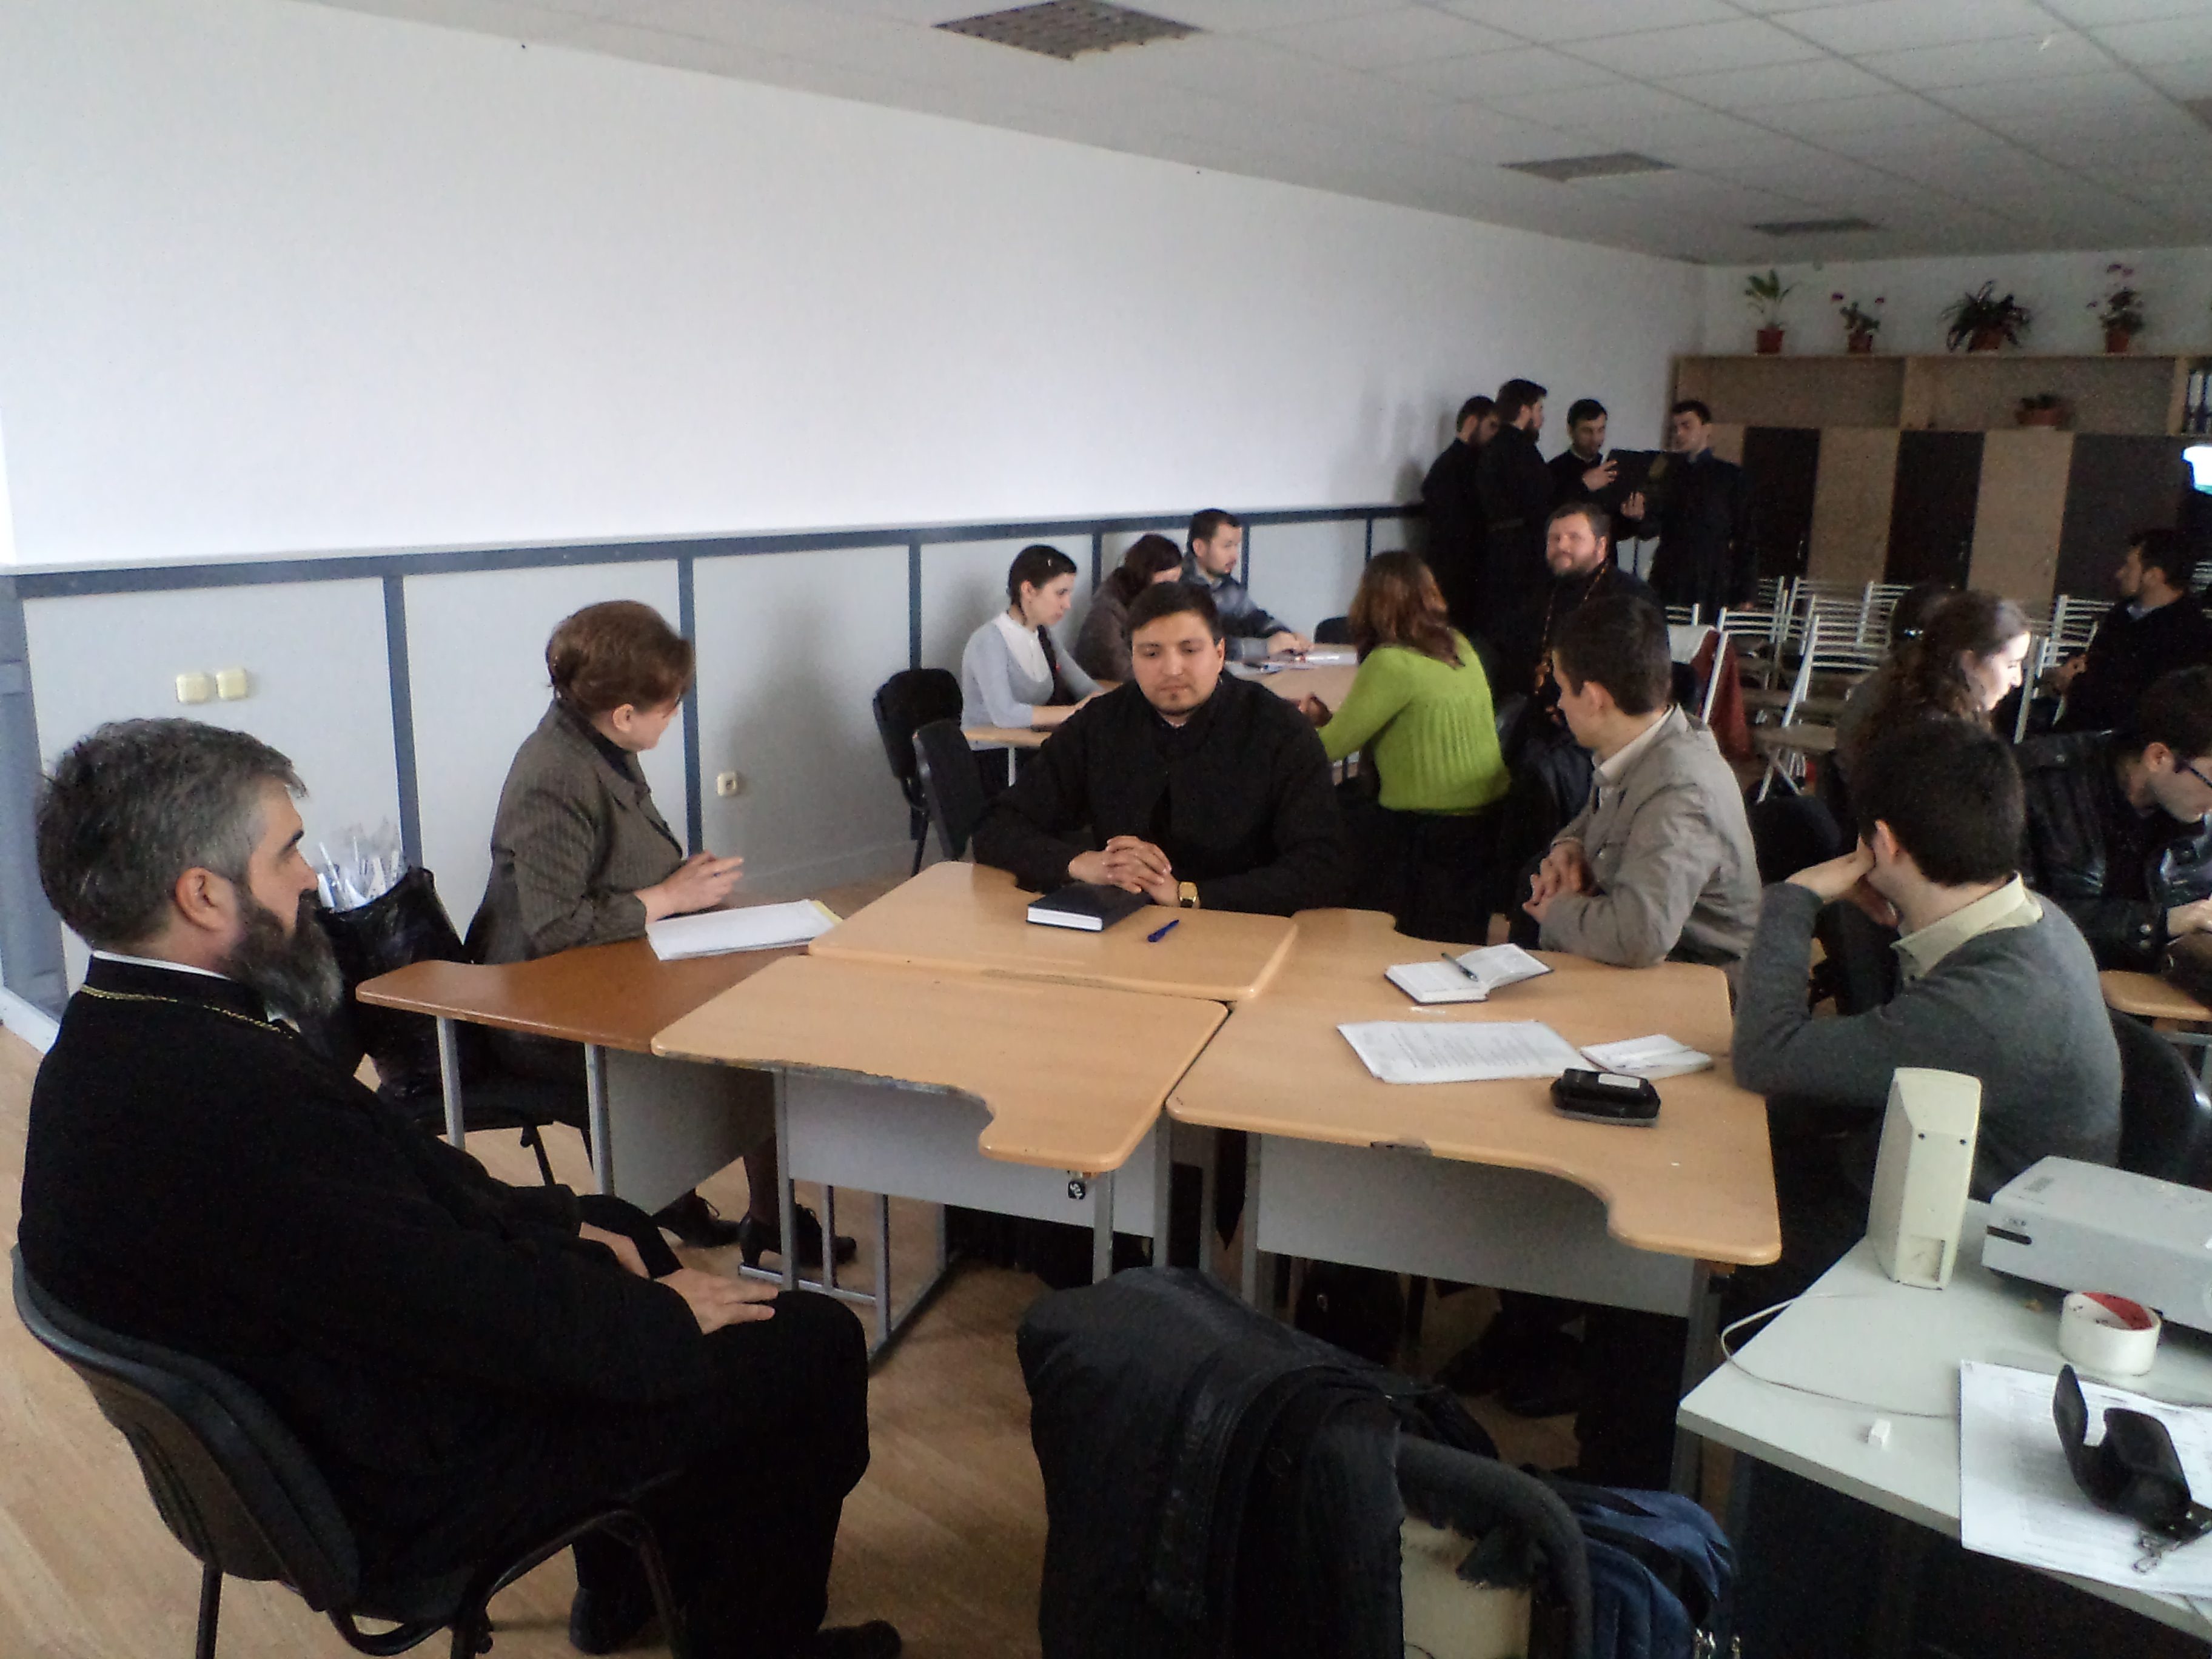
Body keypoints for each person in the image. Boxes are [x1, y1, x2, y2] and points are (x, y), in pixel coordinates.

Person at [19, 719, 896, 1659]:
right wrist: (656, 1319)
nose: (310, 877)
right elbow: (461, 1306)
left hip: (330, 1408)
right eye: (287, 854)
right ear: (202, 894)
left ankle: (629, 1590)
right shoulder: (228, 1099)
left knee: (615, 1223)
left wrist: (556, 1224)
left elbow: (394, 1199)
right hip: (401, 1480)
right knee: (808, 1343)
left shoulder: (113, 1037)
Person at [472, 602, 851, 1265]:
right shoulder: (554, 774)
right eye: (670, 707)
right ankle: (702, 1212)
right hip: (544, 1007)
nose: (674, 717)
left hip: (613, 967)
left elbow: (616, 861)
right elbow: (556, 926)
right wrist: (670, 896)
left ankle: (756, 1217)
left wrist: (679, 884)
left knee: (757, 1020)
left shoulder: (599, 742)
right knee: (739, 1039)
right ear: (624, 714)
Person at [1734, 716, 2122, 1302]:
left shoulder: (1992, 1004)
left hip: (1966, 1256)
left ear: (1884, 844)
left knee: (1714, 1205)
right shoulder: (2031, 917)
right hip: (1929, 1186)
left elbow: (1765, 1055)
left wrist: (1796, 897)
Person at [973, 581, 1345, 916]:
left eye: (1189, 650)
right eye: (1151, 654)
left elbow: (1322, 865)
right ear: (1132, 658)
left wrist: (1188, 894)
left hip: (1241, 926)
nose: (1172, 669)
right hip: (1123, 925)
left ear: (1220, 654)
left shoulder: (1278, 730)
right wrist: (1082, 863)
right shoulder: (1102, 723)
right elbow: (997, 826)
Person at [1521, 594, 1760, 969]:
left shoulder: (1683, 792)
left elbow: (1639, 938)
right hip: (1652, 960)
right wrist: (1571, 846)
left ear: (1595, 699)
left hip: (1696, 980)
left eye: (1563, 689)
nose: (1561, 703)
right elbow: (1605, 812)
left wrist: (1556, 911)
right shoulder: (1645, 740)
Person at [1296, 552, 1509, 940]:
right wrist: (1330, 721)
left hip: (1427, 828)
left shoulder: (1391, 662)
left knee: (1327, 827)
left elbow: (1326, 751)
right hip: (1484, 819)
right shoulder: (1459, 645)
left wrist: (1298, 724)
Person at [1490, 503, 1662, 893]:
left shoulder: (1630, 598)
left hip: (1600, 727)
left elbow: (1633, 677)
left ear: (1601, 545)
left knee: (1543, 779)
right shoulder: (1539, 592)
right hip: (1537, 719)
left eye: (1573, 538)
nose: (1561, 546)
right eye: (1554, 538)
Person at [2021, 665, 2212, 971]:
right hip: (2049, 979)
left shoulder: (2194, 809)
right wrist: (2158, 923)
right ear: (2158, 758)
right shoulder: (2038, 781)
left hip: (2157, 986)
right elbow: (2019, 917)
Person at [1837, 589, 2031, 778]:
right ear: (1968, 661)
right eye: (2012, 665)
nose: (2018, 680)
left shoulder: (1900, 688)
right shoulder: (1941, 737)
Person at [2054, 528, 2212, 734]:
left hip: (2121, 740)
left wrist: (2076, 684)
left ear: (2153, 576)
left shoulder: (2189, 635)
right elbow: (2099, 661)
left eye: (2128, 567)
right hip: (2080, 727)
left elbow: (2142, 700)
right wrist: (2074, 666)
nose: (2119, 574)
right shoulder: (2122, 614)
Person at [1616, 400, 1750, 620]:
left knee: (1705, 634)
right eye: (1675, 428)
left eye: (1686, 426)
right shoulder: (1666, 474)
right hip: (1669, 569)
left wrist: (1746, 590)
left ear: (1707, 429)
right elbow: (1651, 529)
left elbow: (1746, 535)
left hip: (1711, 574)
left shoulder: (1730, 476)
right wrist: (1640, 517)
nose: (1679, 433)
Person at [959, 543, 1102, 736]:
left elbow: (1085, 687)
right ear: (1028, 590)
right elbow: (1004, 714)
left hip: (1031, 745)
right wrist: (1075, 711)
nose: (1067, 604)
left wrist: (1112, 704)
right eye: (1060, 593)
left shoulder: (1045, 635)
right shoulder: (988, 641)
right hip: (991, 749)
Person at [1180, 508, 1310, 661]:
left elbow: (1255, 618)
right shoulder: (1179, 586)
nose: (1234, 556)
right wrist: (1264, 648)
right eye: (1227, 546)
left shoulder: (1226, 584)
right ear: (1199, 548)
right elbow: (1203, 645)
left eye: (1236, 546)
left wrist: (1286, 637)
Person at [1476, 378, 1555, 622]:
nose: (1542, 417)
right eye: (1539, 409)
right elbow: (1539, 502)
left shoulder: (1492, 447)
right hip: (1524, 554)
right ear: (1524, 411)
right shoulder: (1522, 450)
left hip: (1496, 549)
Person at [1421, 394, 1499, 637]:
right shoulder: (1451, 466)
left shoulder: (1466, 463)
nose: (1495, 434)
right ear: (1472, 422)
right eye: (1492, 426)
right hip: (1454, 570)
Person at [1074, 532, 1181, 683]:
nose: (1170, 589)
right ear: (1144, 576)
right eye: (1166, 581)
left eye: (1176, 581)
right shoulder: (1108, 611)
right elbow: (1118, 670)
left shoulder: (1161, 600)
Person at [1547, 397, 1618, 508]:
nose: (1595, 439)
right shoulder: (1553, 471)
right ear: (1570, 430)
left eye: (1601, 430)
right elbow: (1550, 510)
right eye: (1587, 431)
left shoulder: (1611, 468)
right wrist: (1583, 486)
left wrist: (1631, 515)